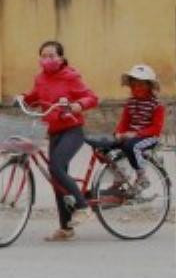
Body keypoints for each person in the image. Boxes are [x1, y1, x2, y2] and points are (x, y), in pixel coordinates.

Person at [22, 40, 99, 240]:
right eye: (43, 56)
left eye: (52, 56)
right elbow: (34, 97)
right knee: (57, 178)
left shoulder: (70, 76)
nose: (47, 59)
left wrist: (78, 105)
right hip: (53, 131)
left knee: (56, 167)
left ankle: (83, 207)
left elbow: (92, 97)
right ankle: (66, 228)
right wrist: (22, 98)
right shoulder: (40, 78)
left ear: (61, 58)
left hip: (72, 130)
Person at [112, 64, 165, 188]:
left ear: (149, 86)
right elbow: (124, 121)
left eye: (141, 85)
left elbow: (156, 128)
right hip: (131, 135)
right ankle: (120, 175)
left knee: (132, 146)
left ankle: (142, 176)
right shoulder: (130, 103)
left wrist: (136, 134)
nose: (137, 88)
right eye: (133, 85)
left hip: (150, 136)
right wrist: (118, 133)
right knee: (107, 146)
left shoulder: (156, 105)